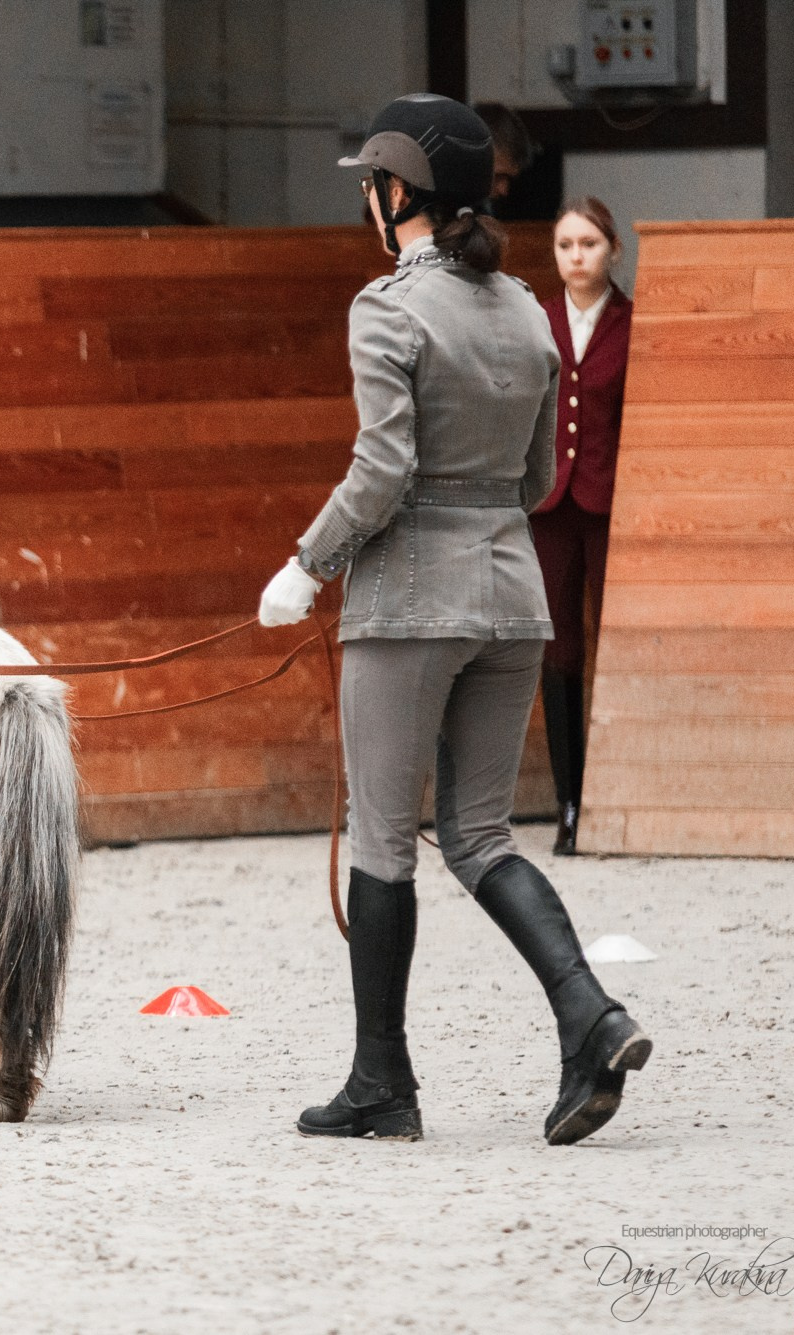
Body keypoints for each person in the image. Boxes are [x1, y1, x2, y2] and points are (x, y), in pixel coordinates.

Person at [255, 95, 650, 1146]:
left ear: (398, 193)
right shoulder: (524, 309)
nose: (363, 203)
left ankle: (381, 1083)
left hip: (408, 605)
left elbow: (381, 467)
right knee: (479, 836)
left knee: (383, 839)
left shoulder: (385, 308)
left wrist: (306, 564)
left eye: (367, 186)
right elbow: (534, 475)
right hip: (509, 597)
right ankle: (589, 1013)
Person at [534, 197, 631, 855]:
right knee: (558, 649)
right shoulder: (537, 320)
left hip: (612, 503)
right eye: (566, 245)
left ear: (612, 251)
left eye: (589, 244)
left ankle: (613, 796)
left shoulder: (633, 322)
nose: (577, 257)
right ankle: (568, 802)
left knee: (613, 645)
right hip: (550, 506)